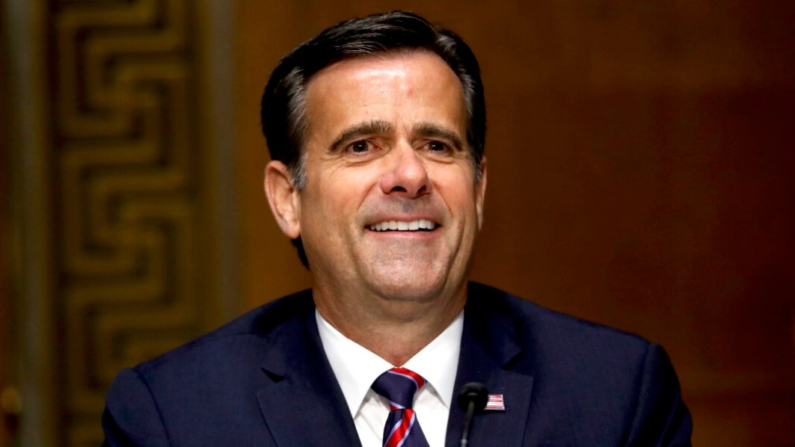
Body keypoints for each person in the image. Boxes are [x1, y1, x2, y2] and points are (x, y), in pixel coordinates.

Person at [102, 11, 692, 447]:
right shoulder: (173, 417)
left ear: (478, 188)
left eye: (437, 145)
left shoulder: (617, 395)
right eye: (362, 146)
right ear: (288, 199)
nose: (409, 175)